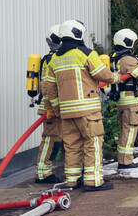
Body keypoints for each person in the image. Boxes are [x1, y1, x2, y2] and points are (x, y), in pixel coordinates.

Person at [41, 19, 121, 191]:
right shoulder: (86, 53)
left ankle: (72, 180)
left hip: (66, 113)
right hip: (87, 111)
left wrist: (57, 109)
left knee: (72, 146)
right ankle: (93, 181)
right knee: (93, 144)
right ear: (77, 34)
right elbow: (103, 75)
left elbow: (50, 87)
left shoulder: (54, 59)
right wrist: (117, 77)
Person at [110, 28, 138, 170]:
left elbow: (136, 64)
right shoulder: (127, 59)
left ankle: (123, 159)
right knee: (130, 131)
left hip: (123, 101)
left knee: (125, 130)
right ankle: (125, 162)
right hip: (131, 102)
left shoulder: (116, 57)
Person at [34, 25, 63, 183]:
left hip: (57, 107)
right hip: (51, 108)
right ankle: (42, 173)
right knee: (51, 140)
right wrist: (53, 106)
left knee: (57, 139)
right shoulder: (51, 60)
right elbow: (47, 85)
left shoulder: (55, 58)